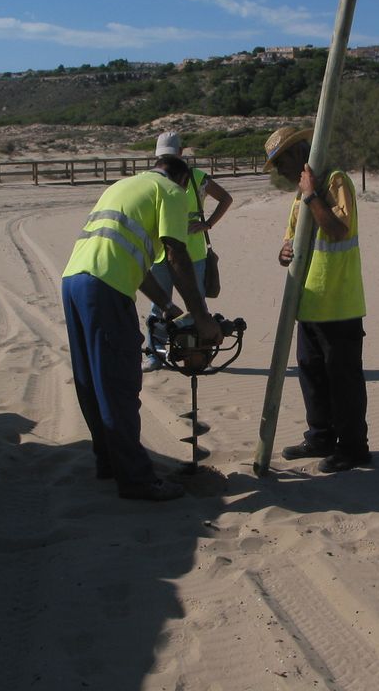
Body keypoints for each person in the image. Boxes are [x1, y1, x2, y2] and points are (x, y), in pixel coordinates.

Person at [61, 155, 223, 501]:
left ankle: (109, 462)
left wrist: (166, 305)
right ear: (182, 179)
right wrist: (202, 317)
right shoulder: (172, 191)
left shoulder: (122, 186)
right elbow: (176, 253)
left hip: (74, 281)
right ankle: (136, 480)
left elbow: (137, 261)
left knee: (91, 380)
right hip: (107, 287)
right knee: (118, 382)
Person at [266, 126, 370, 472]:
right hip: (307, 302)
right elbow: (291, 241)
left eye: (280, 162)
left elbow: (339, 229)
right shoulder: (301, 193)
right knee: (311, 374)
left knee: (343, 379)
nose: (279, 171)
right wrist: (283, 252)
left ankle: (353, 447)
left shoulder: (332, 181)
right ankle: (321, 436)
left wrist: (312, 196)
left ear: (298, 153)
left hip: (338, 302)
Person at [143, 131, 232, 371]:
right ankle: (156, 354)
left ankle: (197, 353)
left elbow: (225, 198)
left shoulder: (196, 178)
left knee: (196, 306)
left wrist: (208, 223)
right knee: (160, 306)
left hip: (192, 252)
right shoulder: (154, 179)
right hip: (164, 252)